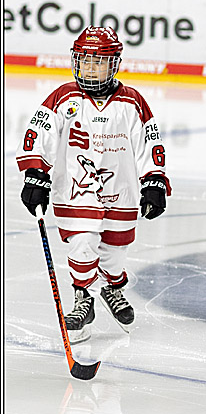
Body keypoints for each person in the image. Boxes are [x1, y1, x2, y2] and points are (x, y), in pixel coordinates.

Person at [16, 26, 170, 342]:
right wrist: (36, 173)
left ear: (114, 64)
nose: (89, 67)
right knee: (82, 243)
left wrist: (153, 179)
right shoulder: (63, 97)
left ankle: (113, 286)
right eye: (84, 60)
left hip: (121, 191)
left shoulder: (132, 102)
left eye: (97, 61)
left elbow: (150, 143)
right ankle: (83, 298)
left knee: (115, 253)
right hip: (74, 189)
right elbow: (37, 135)